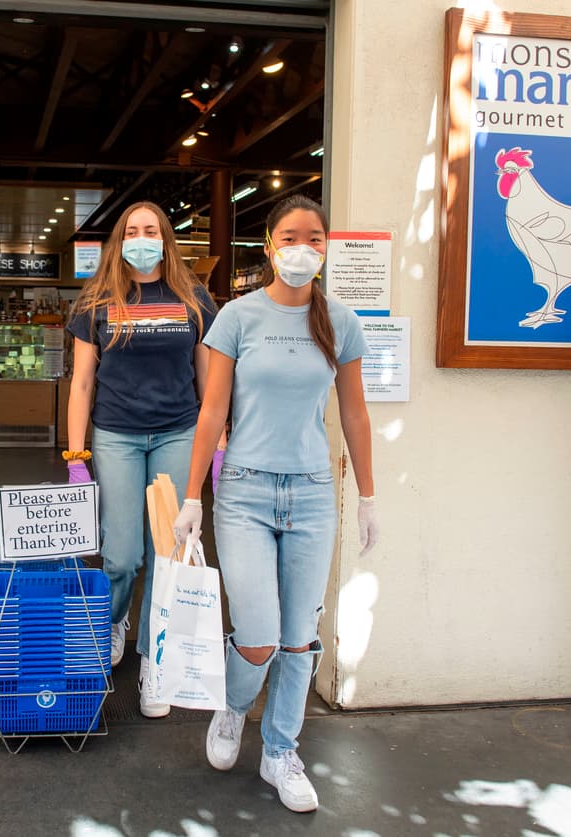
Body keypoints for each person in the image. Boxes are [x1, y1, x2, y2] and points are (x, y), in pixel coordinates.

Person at [173, 195, 379, 813]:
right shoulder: (237, 317)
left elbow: (355, 413)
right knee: (259, 634)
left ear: (326, 248)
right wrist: (192, 495)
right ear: (269, 246)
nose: (303, 248)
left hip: (312, 492)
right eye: (291, 237)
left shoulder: (340, 321)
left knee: (298, 638)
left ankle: (281, 750)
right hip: (245, 492)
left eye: (315, 238)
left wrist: (368, 496)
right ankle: (234, 708)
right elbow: (213, 410)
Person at [65, 201, 217, 718]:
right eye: (132, 231)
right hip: (117, 435)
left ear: (166, 238)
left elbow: (208, 381)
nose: (142, 239)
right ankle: (112, 622)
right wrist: (76, 455)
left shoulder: (193, 297)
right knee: (123, 555)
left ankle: (156, 658)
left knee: (167, 554)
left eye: (151, 230)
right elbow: (82, 383)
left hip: (178, 431)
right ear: (120, 240)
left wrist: (217, 443)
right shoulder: (98, 299)